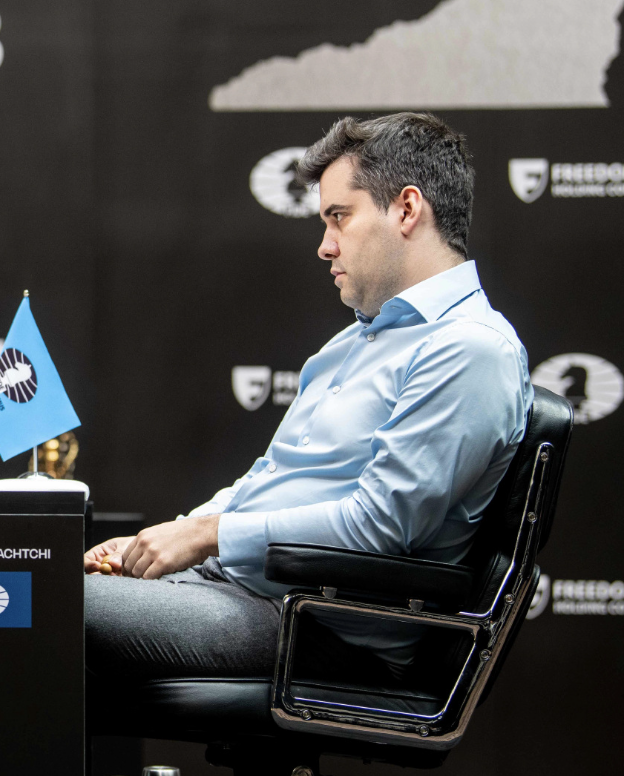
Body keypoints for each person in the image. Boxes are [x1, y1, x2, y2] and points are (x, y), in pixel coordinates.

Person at [84, 112, 531, 686]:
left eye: (339, 217)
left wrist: (203, 536)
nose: (325, 247)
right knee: (25, 596)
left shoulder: (470, 348)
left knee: (21, 601)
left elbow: (377, 528)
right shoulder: (357, 338)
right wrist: (162, 540)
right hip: (242, 590)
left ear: (406, 209)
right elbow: (271, 479)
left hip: (316, 626)